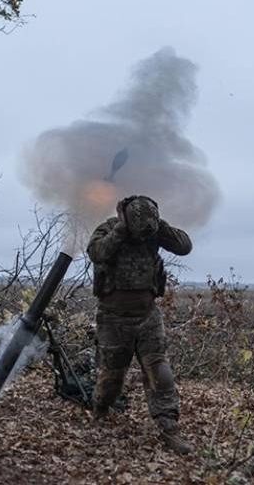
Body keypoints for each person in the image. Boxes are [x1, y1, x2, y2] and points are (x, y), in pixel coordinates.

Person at [86, 195, 193, 455]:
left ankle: (169, 427)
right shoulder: (109, 229)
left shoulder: (153, 232)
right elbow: (97, 253)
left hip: (147, 315)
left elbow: (184, 246)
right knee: (111, 377)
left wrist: (160, 227)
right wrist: (122, 229)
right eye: (140, 226)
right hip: (113, 317)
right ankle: (100, 411)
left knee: (160, 371)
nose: (143, 233)